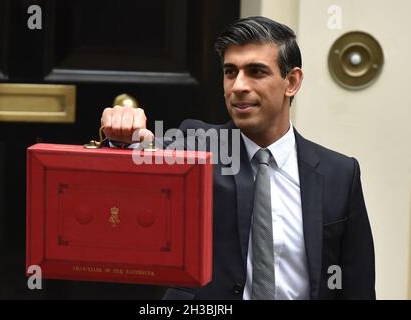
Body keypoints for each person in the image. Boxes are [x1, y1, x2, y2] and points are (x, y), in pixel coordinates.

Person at [100, 16, 375, 300]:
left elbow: (358, 285)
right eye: (231, 72)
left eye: (256, 72)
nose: (238, 86)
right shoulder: (196, 147)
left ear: (291, 81)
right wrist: (122, 137)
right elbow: (139, 163)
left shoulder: (339, 174)